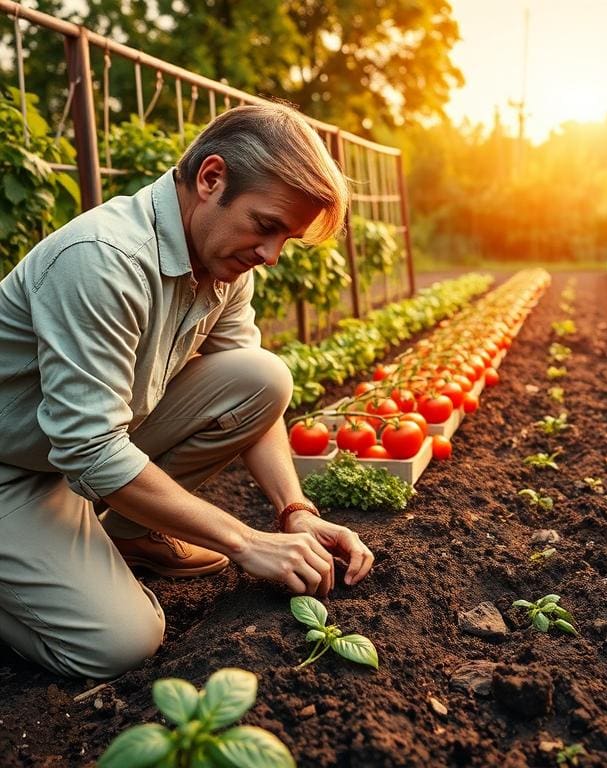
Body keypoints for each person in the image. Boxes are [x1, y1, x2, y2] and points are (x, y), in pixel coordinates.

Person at [0, 103, 374, 679]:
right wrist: (244, 541)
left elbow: (248, 388)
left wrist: (294, 512)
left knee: (262, 375)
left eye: (287, 239)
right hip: (14, 469)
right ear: (211, 178)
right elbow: (89, 449)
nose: (271, 256)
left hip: (61, 451)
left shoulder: (222, 264)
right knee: (120, 642)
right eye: (266, 225)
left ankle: (128, 534)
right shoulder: (104, 261)